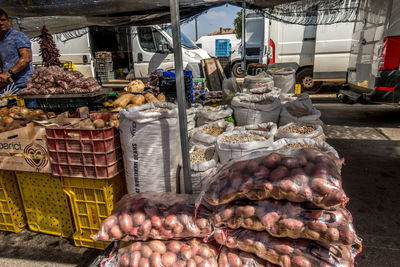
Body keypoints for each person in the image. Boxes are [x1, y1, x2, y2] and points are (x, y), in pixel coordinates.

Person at [0, 9, 34, 93]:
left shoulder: (18, 36)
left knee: (29, 106)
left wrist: (8, 73)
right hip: (10, 85)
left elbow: (26, 58)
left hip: (25, 84)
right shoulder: (1, 40)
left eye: (3, 20)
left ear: (9, 21)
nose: (0, 23)